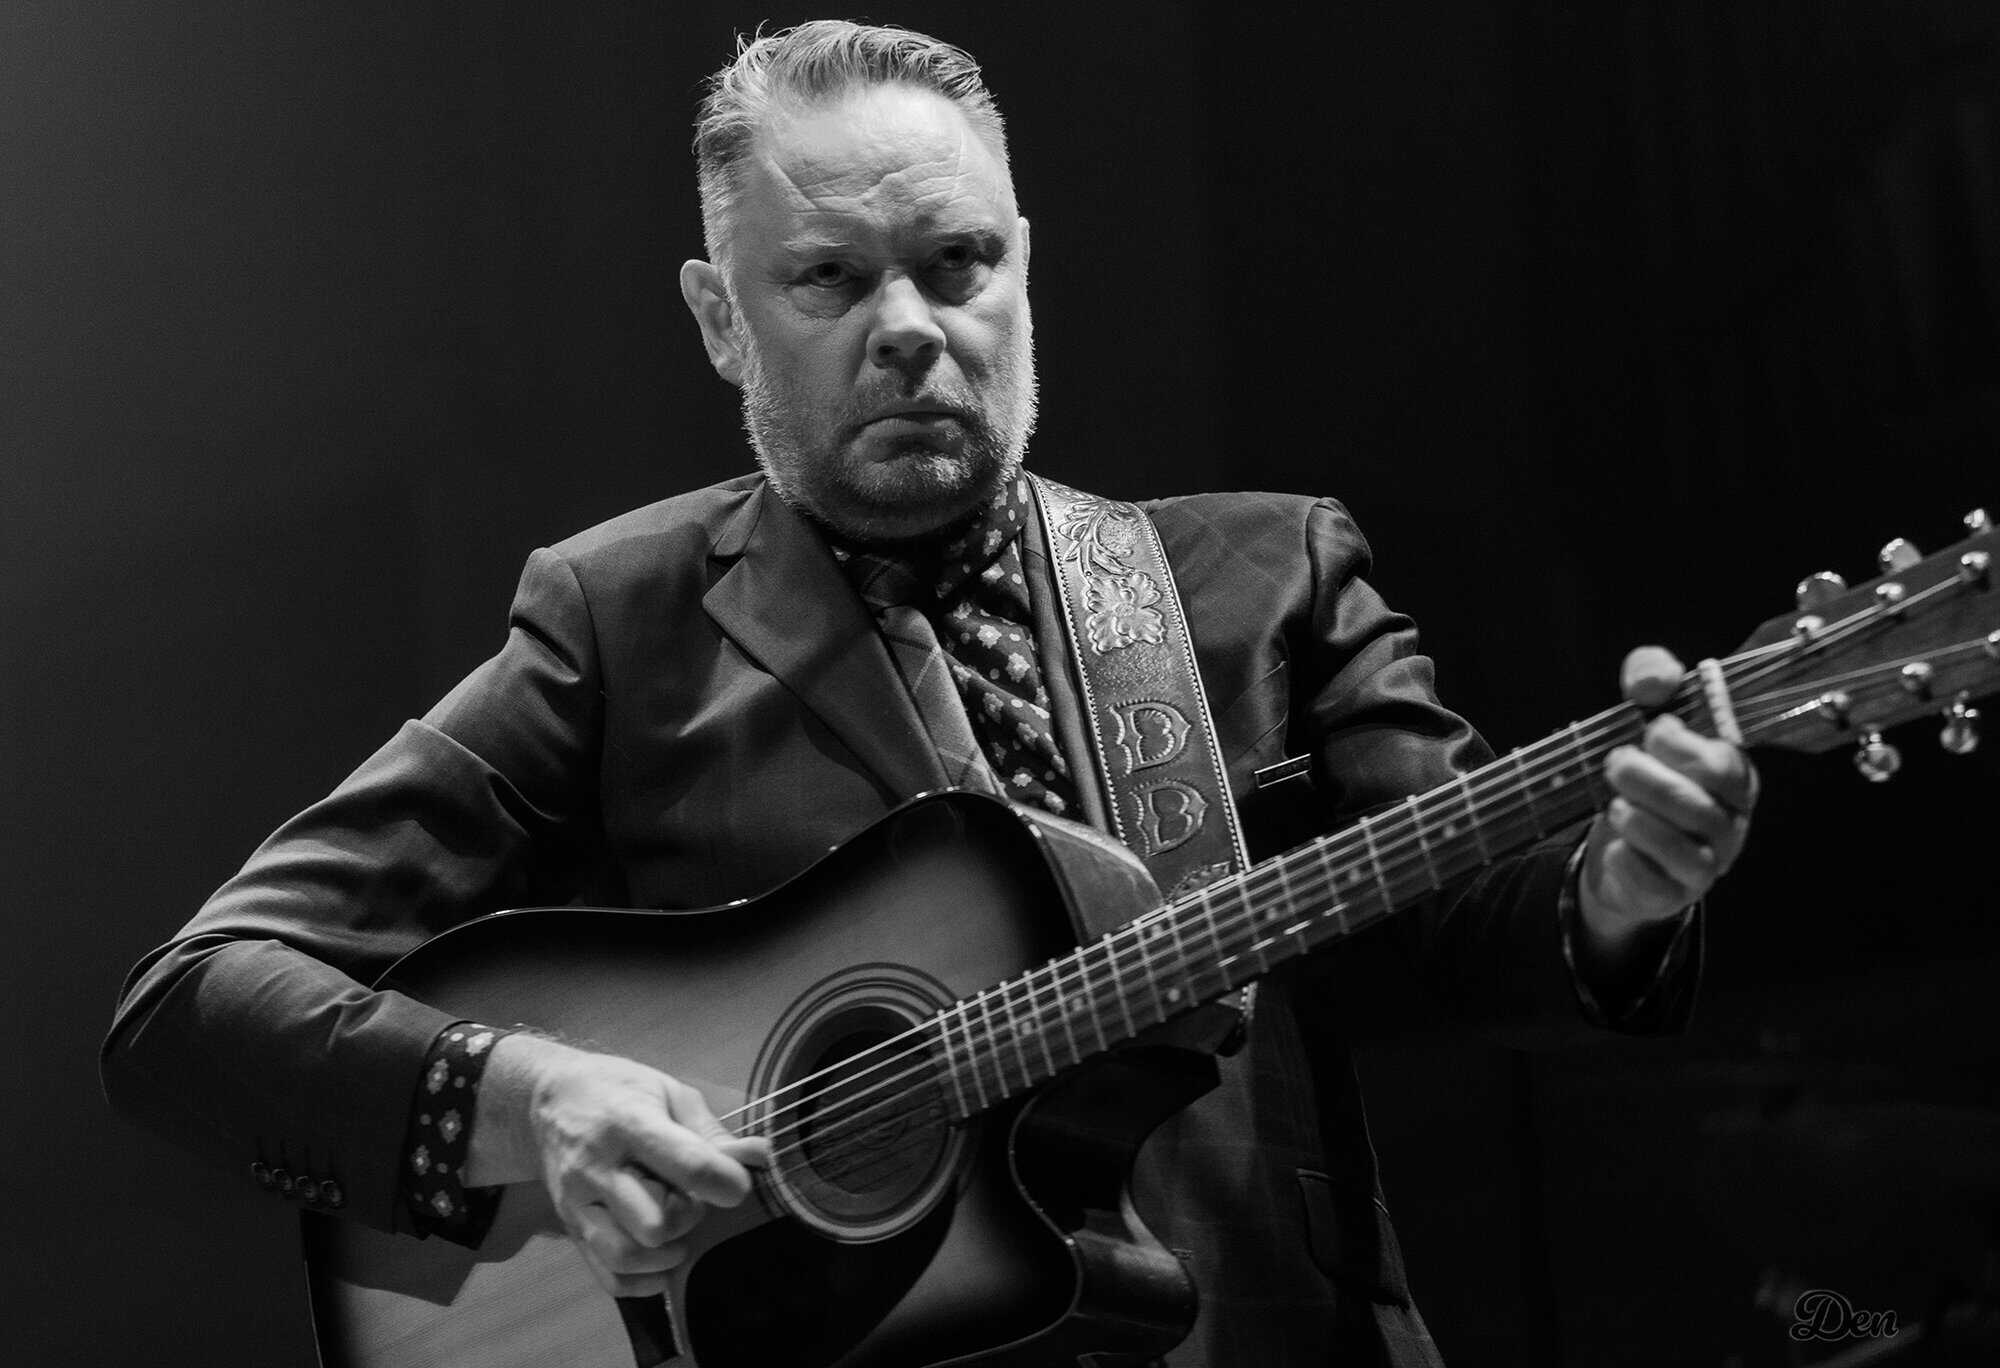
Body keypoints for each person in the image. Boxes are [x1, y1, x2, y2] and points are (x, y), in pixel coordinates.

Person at [101, 20, 1757, 1367]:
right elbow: (196, 1003)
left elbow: (1484, 910)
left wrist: (1626, 885)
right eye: (829, 279)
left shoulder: (1263, 578)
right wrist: (534, 1102)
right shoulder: (617, 620)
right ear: (720, 320)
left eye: (957, 261)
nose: (911, 327)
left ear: (1024, 265)